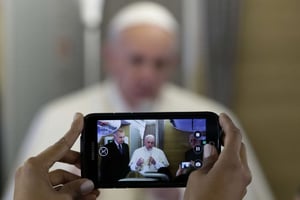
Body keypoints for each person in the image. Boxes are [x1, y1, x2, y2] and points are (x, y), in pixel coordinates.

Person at [3, 1, 273, 200]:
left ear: (173, 63)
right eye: (136, 60)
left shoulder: (213, 114)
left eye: (160, 63)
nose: (147, 74)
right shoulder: (57, 116)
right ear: (110, 56)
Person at [13, 113, 251, 200]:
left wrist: (157, 163)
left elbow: (165, 164)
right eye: (147, 143)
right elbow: (130, 165)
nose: (148, 145)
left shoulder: (158, 151)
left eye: (150, 142)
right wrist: (137, 162)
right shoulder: (53, 115)